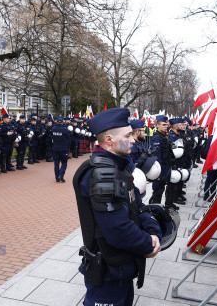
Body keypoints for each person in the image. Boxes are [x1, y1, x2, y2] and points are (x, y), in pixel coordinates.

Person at [73, 108, 162, 306]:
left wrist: (153, 231)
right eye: (128, 135)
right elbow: (117, 230)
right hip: (108, 271)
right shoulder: (103, 174)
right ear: (110, 139)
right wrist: (148, 243)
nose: (133, 139)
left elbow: (137, 206)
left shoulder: (119, 166)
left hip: (120, 265)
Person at [149, 116, 176, 209]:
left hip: (166, 166)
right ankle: (154, 209)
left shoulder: (164, 136)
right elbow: (156, 156)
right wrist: (159, 173)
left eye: (166, 125)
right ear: (157, 125)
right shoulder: (157, 137)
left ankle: (161, 208)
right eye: (163, 125)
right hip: (160, 168)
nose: (166, 127)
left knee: (163, 188)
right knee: (157, 191)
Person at [52, 118, 71, 182]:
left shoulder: (53, 129)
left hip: (55, 149)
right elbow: (69, 138)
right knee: (64, 162)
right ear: (63, 122)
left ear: (56, 122)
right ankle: (61, 175)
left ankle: (57, 177)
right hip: (63, 149)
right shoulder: (65, 130)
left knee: (56, 164)